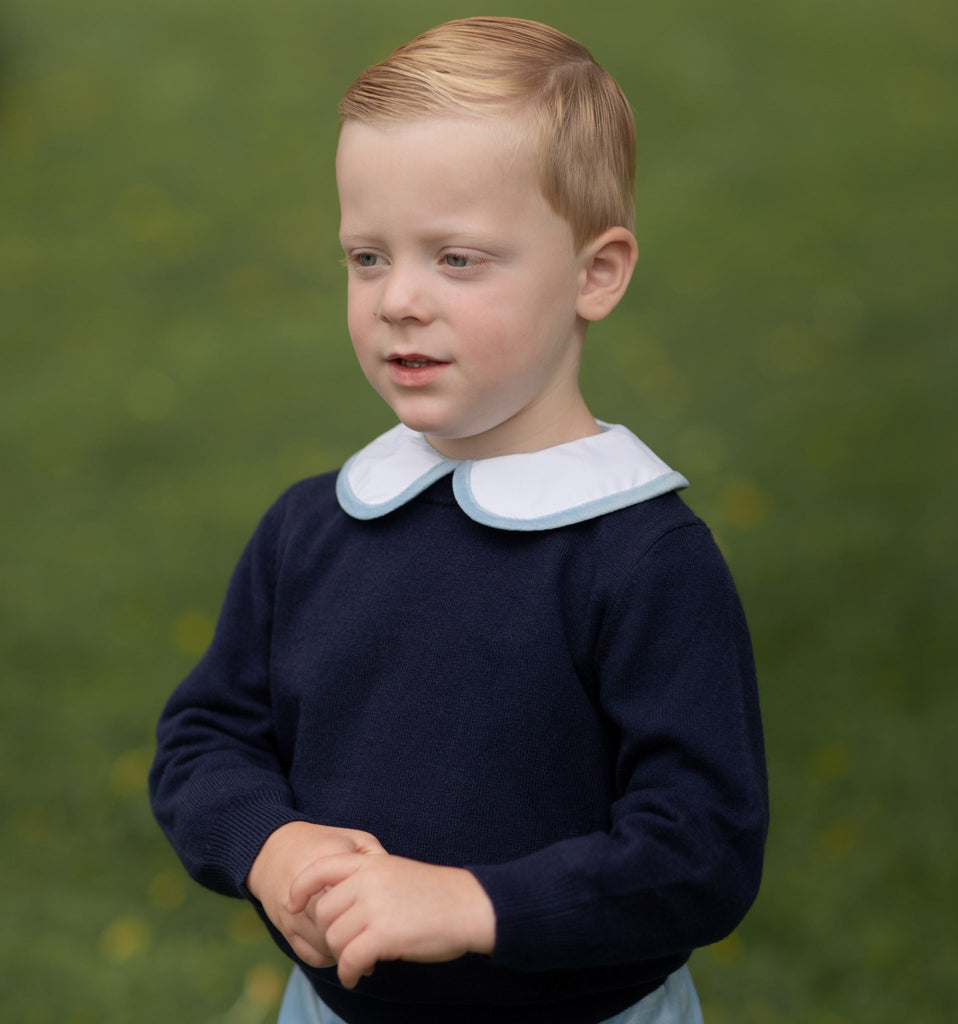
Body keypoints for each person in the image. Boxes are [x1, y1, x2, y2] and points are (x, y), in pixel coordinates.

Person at [149, 16, 769, 1024]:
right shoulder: (312, 528)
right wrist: (269, 844)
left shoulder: (642, 560)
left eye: (458, 259)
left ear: (595, 273)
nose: (398, 298)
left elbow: (700, 850)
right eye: (365, 255)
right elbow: (205, 737)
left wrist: (473, 903)